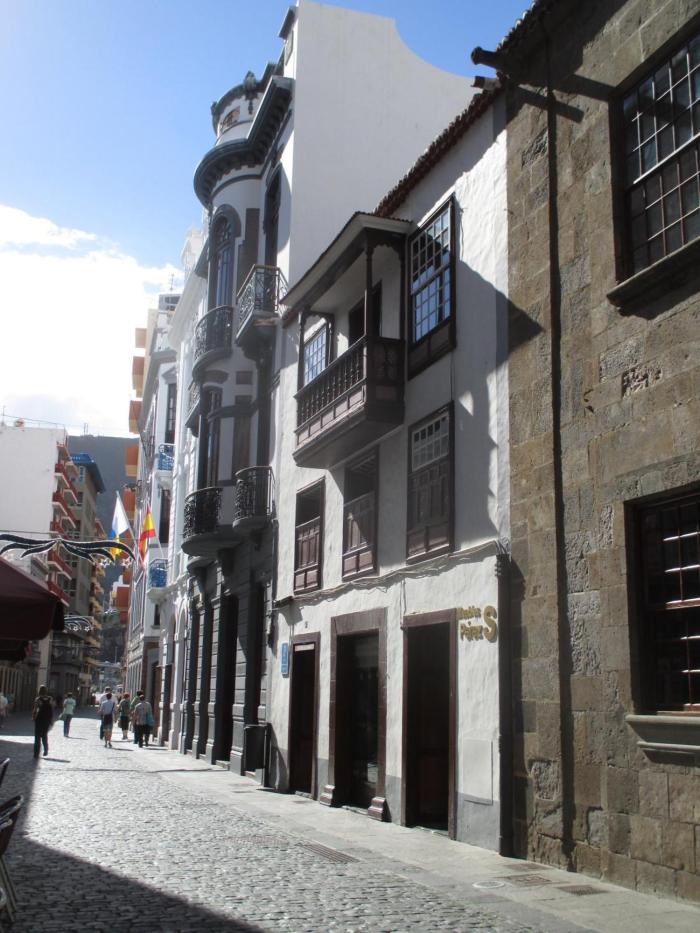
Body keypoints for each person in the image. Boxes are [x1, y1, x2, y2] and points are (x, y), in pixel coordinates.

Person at [32, 685, 54, 759]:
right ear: (46, 691)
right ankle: (46, 749)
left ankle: (36, 753)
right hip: (47, 719)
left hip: (39, 718)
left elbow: (35, 709)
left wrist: (33, 717)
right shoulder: (50, 699)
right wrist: (51, 719)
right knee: (44, 734)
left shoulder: (38, 699)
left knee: (37, 736)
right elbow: (52, 708)